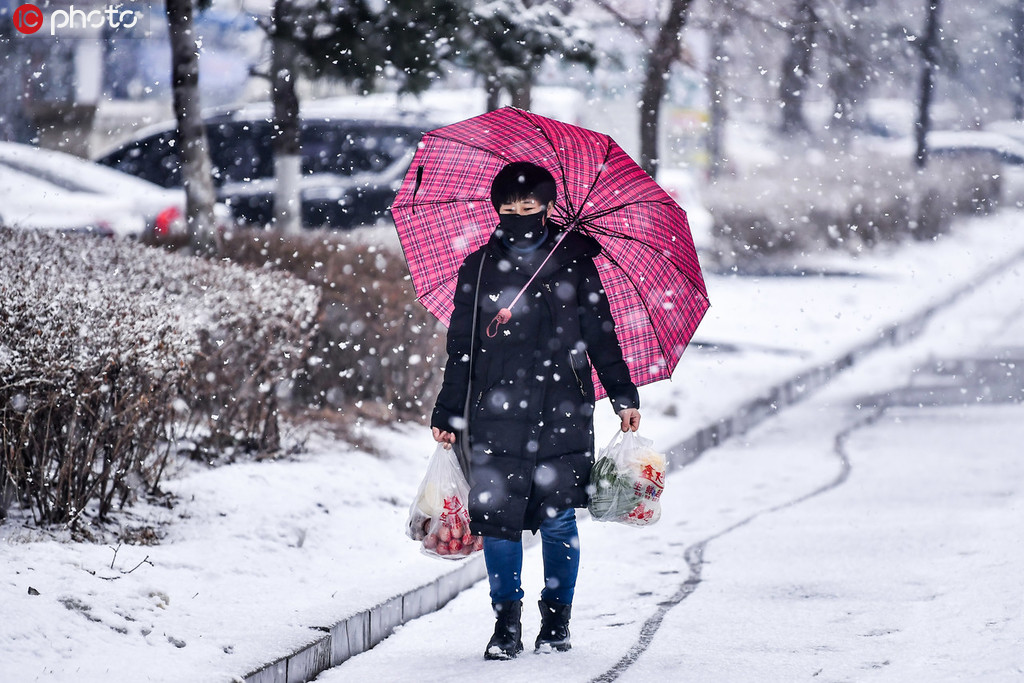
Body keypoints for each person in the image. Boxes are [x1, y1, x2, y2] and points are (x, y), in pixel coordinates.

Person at [430, 161, 641, 660]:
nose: (519, 215)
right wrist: (446, 410)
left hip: (563, 407)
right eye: (508, 208)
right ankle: (506, 623)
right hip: (493, 409)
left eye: (529, 207)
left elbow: (601, 334)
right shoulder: (478, 268)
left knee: (558, 519)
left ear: (548, 208)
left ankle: (556, 621)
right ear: (495, 209)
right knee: (497, 520)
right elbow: (460, 346)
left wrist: (623, 394)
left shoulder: (574, 263)